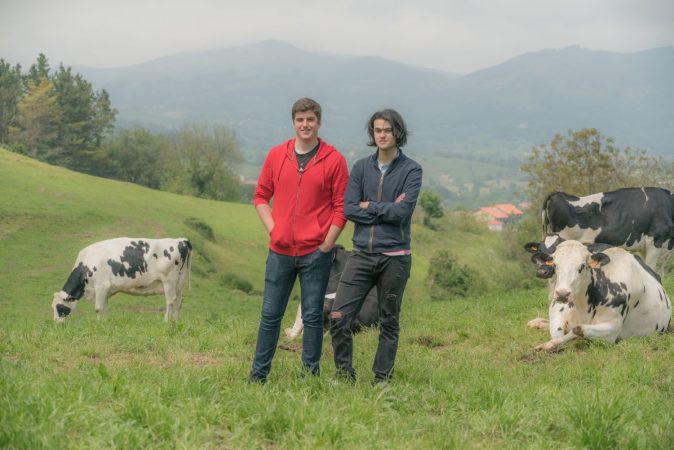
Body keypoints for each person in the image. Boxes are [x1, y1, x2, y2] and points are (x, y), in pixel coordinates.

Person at [249, 98, 349, 383]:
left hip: (316, 254)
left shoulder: (334, 160)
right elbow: (260, 196)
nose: (305, 124)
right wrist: (274, 228)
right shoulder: (277, 155)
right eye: (300, 119)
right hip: (279, 252)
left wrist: (327, 244)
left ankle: (310, 377)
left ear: (319, 122)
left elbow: (341, 208)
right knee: (270, 316)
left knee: (313, 317)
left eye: (310, 119)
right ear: (293, 122)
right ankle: (258, 376)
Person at [329, 109, 422, 384]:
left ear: (398, 133)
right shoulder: (360, 168)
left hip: (395, 258)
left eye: (387, 130)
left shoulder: (411, 170)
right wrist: (386, 208)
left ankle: (382, 380)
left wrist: (370, 206)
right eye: (377, 130)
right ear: (373, 133)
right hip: (361, 255)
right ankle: (345, 375)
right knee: (338, 315)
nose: (382, 135)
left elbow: (402, 212)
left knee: (388, 321)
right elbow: (349, 209)